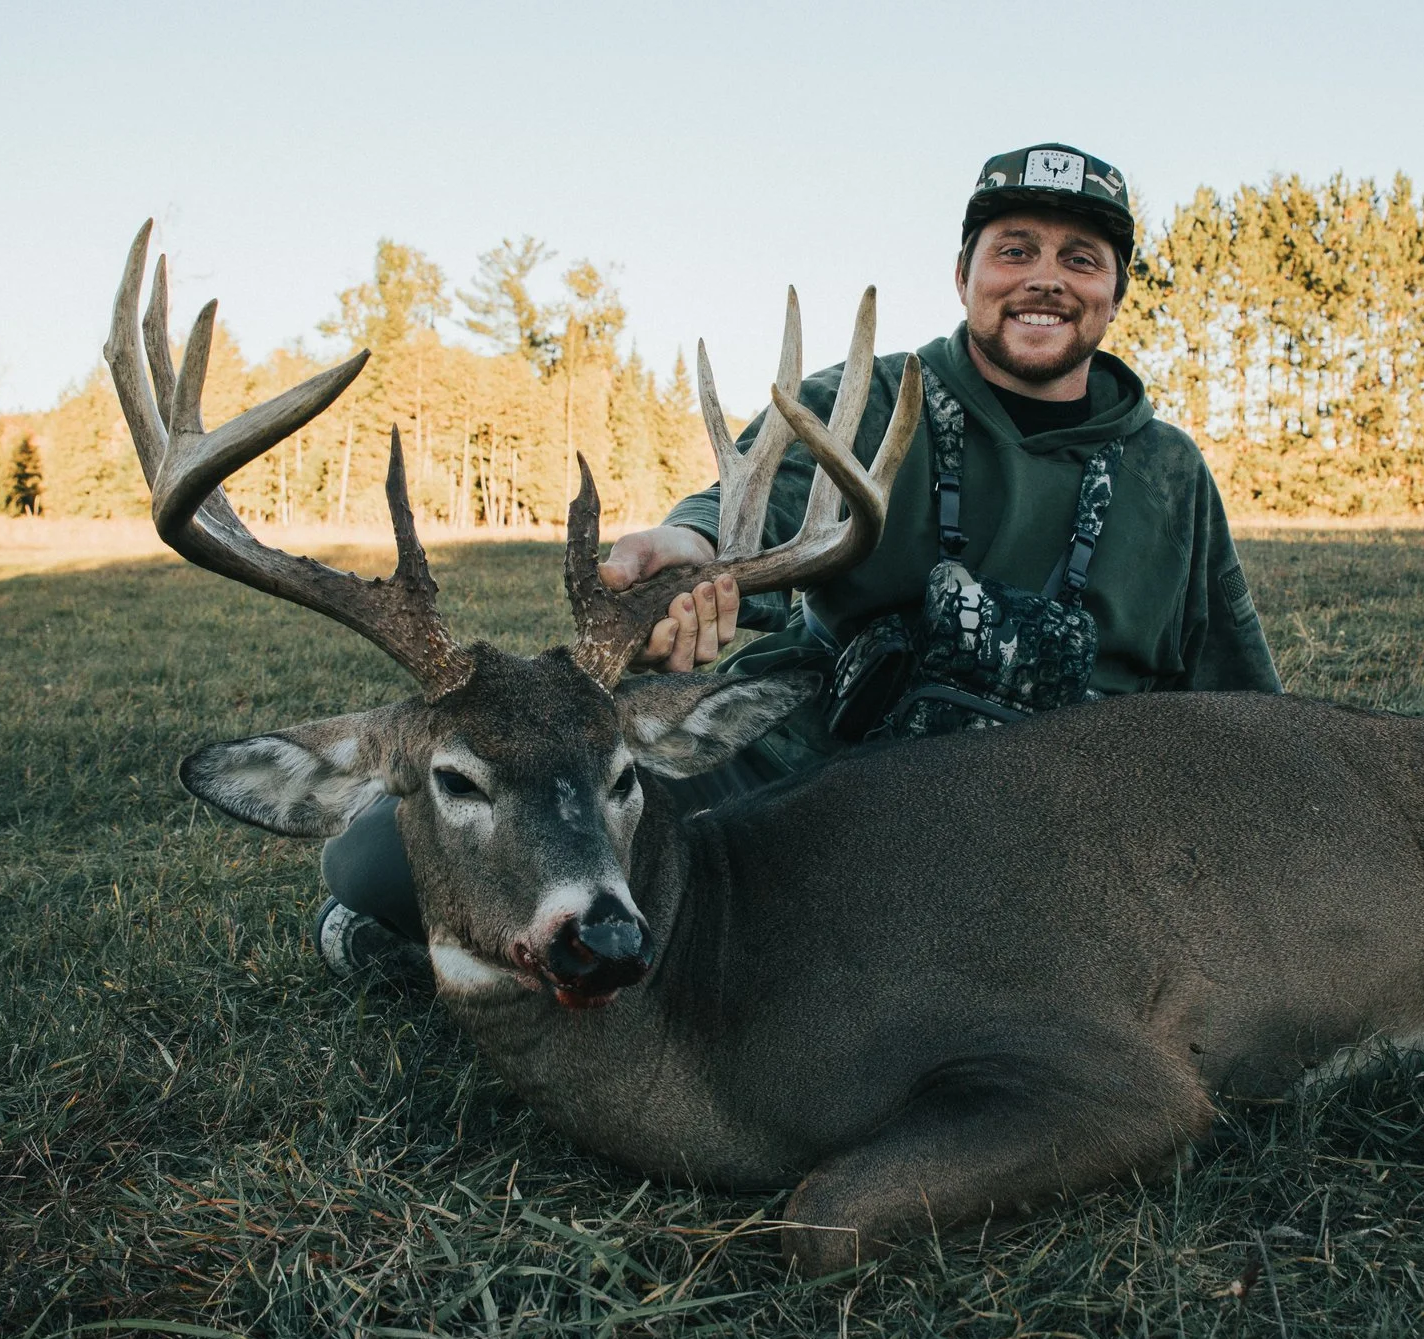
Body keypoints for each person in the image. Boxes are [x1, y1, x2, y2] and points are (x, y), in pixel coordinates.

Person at [314, 142, 1280, 977]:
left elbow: (1242, 707)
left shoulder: (1169, 474)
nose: (1045, 279)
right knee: (380, 861)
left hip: (1054, 818)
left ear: (1114, 290)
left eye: (1082, 258)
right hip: (819, 756)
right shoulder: (870, 398)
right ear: (964, 276)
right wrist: (683, 554)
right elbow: (736, 513)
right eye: (1013, 250)